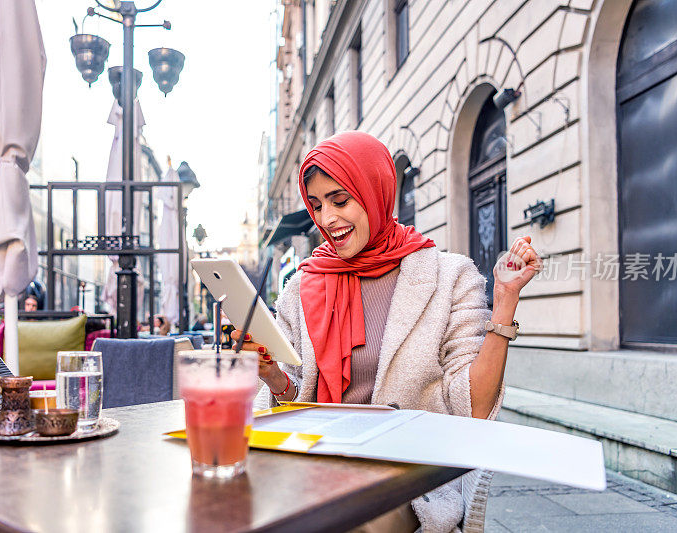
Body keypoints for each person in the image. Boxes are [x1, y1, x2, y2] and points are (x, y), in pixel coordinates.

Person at [232, 131, 541, 532]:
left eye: (340, 200)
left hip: (407, 477)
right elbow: (292, 398)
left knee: (351, 522)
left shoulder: (450, 277)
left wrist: (504, 304)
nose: (327, 219)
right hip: (313, 463)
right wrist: (274, 377)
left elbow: (473, 410)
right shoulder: (301, 287)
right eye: (317, 205)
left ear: (374, 190)